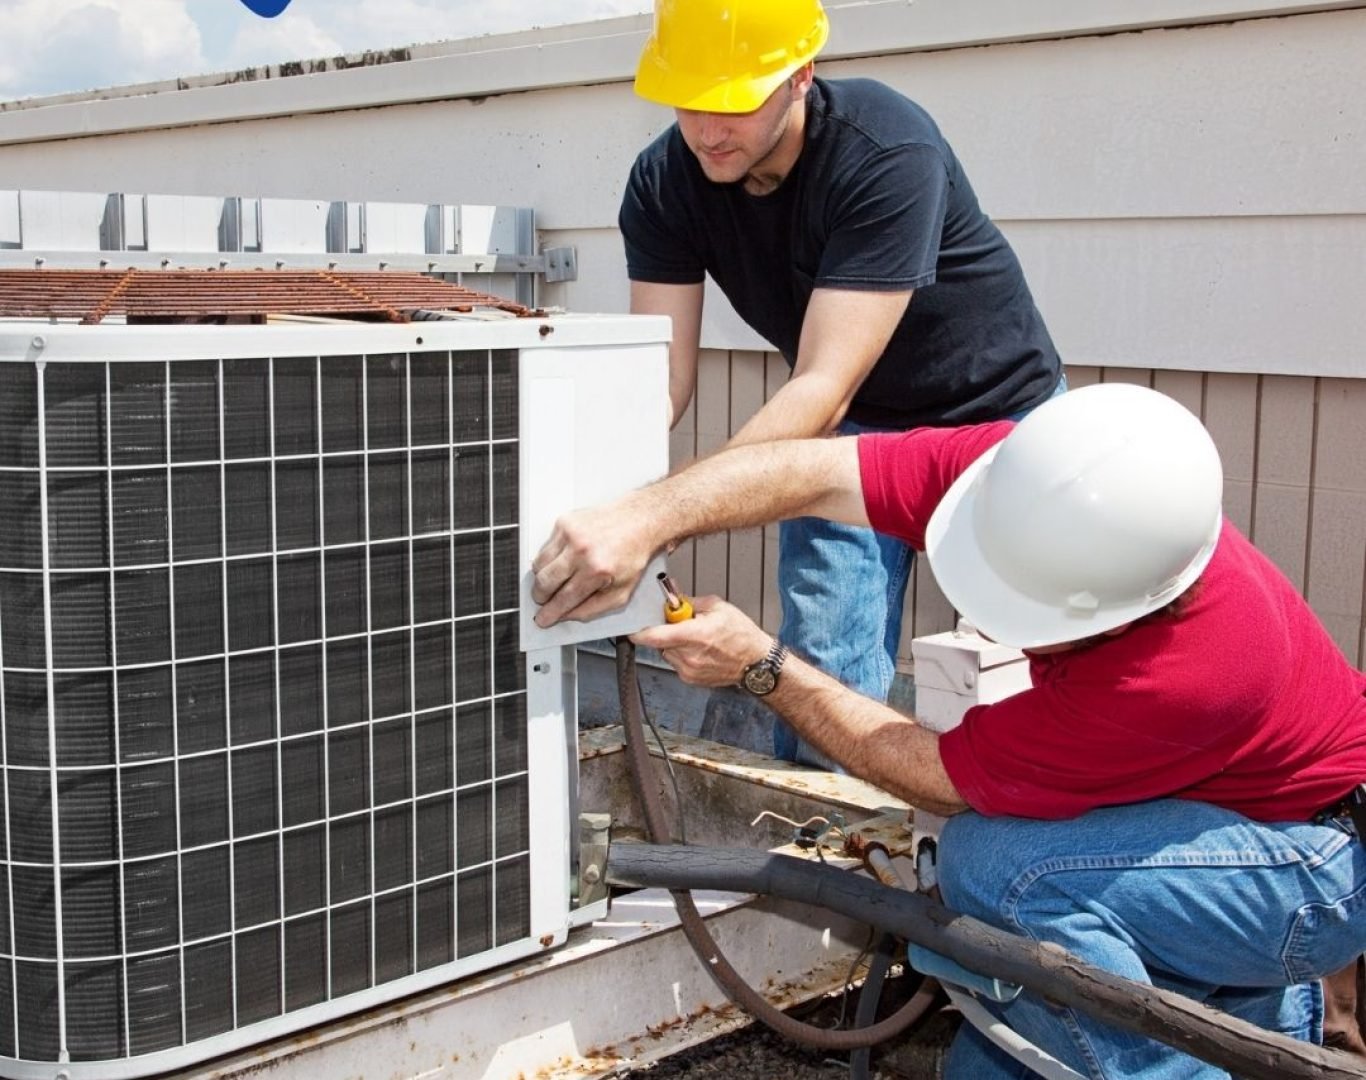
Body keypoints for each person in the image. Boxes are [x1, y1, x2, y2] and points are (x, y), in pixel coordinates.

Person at [531, 383, 1366, 1078]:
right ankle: (1253, 1013)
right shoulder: (1032, 478)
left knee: (1002, 874)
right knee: (983, 1064)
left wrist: (761, 665)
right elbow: (812, 472)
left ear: (1125, 614)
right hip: (1215, 816)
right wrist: (648, 517)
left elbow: (936, 776)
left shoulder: (1190, 672)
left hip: (1311, 864)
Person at [621, 0, 1064, 765]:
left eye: (733, 101)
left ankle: (1014, 848)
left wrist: (659, 517)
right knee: (822, 663)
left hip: (999, 420)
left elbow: (823, 382)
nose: (707, 129)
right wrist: (613, 500)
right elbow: (663, 375)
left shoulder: (885, 148)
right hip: (852, 428)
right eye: (689, 100)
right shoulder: (666, 180)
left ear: (801, 77)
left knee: (1031, 664)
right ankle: (831, 855)